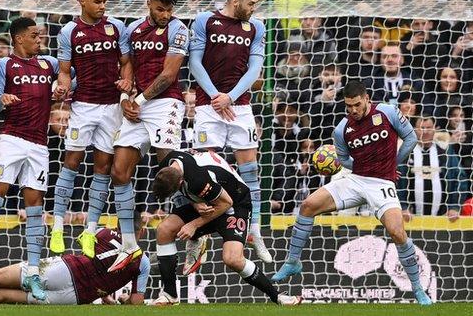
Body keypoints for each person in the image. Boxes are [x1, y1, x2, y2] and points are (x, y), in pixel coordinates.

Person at [271, 81, 433, 306]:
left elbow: (411, 138)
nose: (353, 110)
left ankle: (418, 289)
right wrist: (351, 165)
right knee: (308, 206)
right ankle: (293, 262)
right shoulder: (341, 129)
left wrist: (394, 164)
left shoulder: (387, 112)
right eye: (349, 106)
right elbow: (344, 159)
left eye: (357, 105)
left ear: (366, 98)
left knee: (397, 232)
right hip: (354, 178)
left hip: (381, 182)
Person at [0, 17, 59, 301]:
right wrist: (2, 100)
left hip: (39, 145)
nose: (39, 40)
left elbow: (70, 80)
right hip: (11, 139)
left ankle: (33, 272)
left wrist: (65, 87)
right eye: (34, 35)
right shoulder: (4, 65)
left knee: (35, 206)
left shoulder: (50, 64)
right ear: (20, 38)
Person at [188, 0, 272, 263]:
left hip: (240, 107)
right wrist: (215, 96)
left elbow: (254, 69)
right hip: (207, 106)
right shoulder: (204, 21)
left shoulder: (257, 27)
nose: (254, 8)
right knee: (202, 172)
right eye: (251, 3)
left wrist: (230, 97)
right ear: (235, 1)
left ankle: (255, 231)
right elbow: (195, 62)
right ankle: (199, 237)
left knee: (250, 169)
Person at [50, 0, 133, 263]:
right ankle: (58, 226)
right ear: (82, 1)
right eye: (97, 1)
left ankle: (90, 229)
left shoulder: (117, 27)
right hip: (83, 106)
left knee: (103, 168)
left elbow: (126, 64)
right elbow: (64, 71)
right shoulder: (68, 32)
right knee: (71, 161)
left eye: (104, 1)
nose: (102, 6)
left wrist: (126, 82)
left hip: (111, 108)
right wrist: (61, 86)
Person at [108, 0, 188, 272]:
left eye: (169, 9)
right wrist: (126, 95)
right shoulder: (133, 29)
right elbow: (127, 65)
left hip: (166, 102)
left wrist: (137, 102)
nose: (165, 15)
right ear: (149, 5)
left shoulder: (179, 29)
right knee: (119, 171)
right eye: (160, 9)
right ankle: (129, 244)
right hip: (136, 103)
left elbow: (168, 75)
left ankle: (193, 228)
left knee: (170, 169)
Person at [150, 150, 302, 306]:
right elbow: (187, 190)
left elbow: (225, 203)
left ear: (181, 181)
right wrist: (196, 203)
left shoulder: (198, 179)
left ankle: (278, 296)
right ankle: (170, 295)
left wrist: (194, 224)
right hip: (210, 199)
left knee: (233, 259)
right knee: (164, 230)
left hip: (234, 204)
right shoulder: (168, 164)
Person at [0, 220, 149, 306]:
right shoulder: (143, 261)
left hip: (64, 270)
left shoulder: (103, 232)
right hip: (76, 297)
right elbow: (137, 301)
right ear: (142, 231)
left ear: (118, 223)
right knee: (3, 295)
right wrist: (122, 299)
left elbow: (90, 258)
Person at [398, 115, 467, 222]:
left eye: (429, 128)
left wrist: (454, 207)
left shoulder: (445, 152)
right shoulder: (405, 154)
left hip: (443, 219)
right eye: (421, 128)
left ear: (436, 128)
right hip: (409, 219)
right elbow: (395, 181)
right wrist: (402, 207)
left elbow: (460, 179)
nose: (425, 132)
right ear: (414, 130)